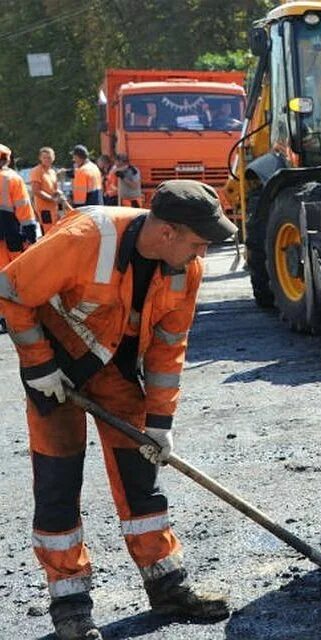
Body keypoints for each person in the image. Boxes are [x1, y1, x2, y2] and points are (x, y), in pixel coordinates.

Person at [0, 180, 237, 640]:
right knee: (58, 483)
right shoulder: (86, 239)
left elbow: (169, 351)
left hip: (117, 373)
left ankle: (167, 584)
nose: (202, 250)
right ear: (167, 232)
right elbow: (11, 291)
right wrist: (39, 365)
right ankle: (70, 605)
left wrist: (161, 425)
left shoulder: (184, 271)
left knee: (141, 479)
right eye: (198, 240)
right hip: (57, 373)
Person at [0, 143, 37, 334]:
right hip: (11, 236)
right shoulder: (12, 179)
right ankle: (13, 317)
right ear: (7, 159)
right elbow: (24, 211)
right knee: (14, 277)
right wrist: (30, 236)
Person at [30, 146, 64, 234]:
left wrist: (59, 197)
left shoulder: (52, 172)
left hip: (54, 209)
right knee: (48, 234)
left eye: (49, 157)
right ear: (40, 158)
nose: (47, 160)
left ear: (53, 158)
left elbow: (55, 190)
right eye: (44, 157)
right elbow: (36, 190)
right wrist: (51, 199)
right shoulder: (37, 171)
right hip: (44, 210)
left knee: (55, 233)